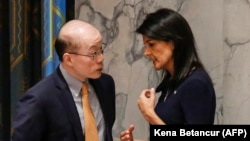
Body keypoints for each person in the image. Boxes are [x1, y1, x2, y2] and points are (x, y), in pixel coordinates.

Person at [120, 8, 216, 140]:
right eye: (145, 46)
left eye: (151, 44)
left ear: (173, 43)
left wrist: (150, 115)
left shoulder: (196, 84)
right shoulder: (173, 82)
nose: (146, 53)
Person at [12, 20, 116, 141]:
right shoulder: (39, 99)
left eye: (101, 50)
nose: (101, 59)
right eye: (93, 53)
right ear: (69, 59)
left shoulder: (106, 84)